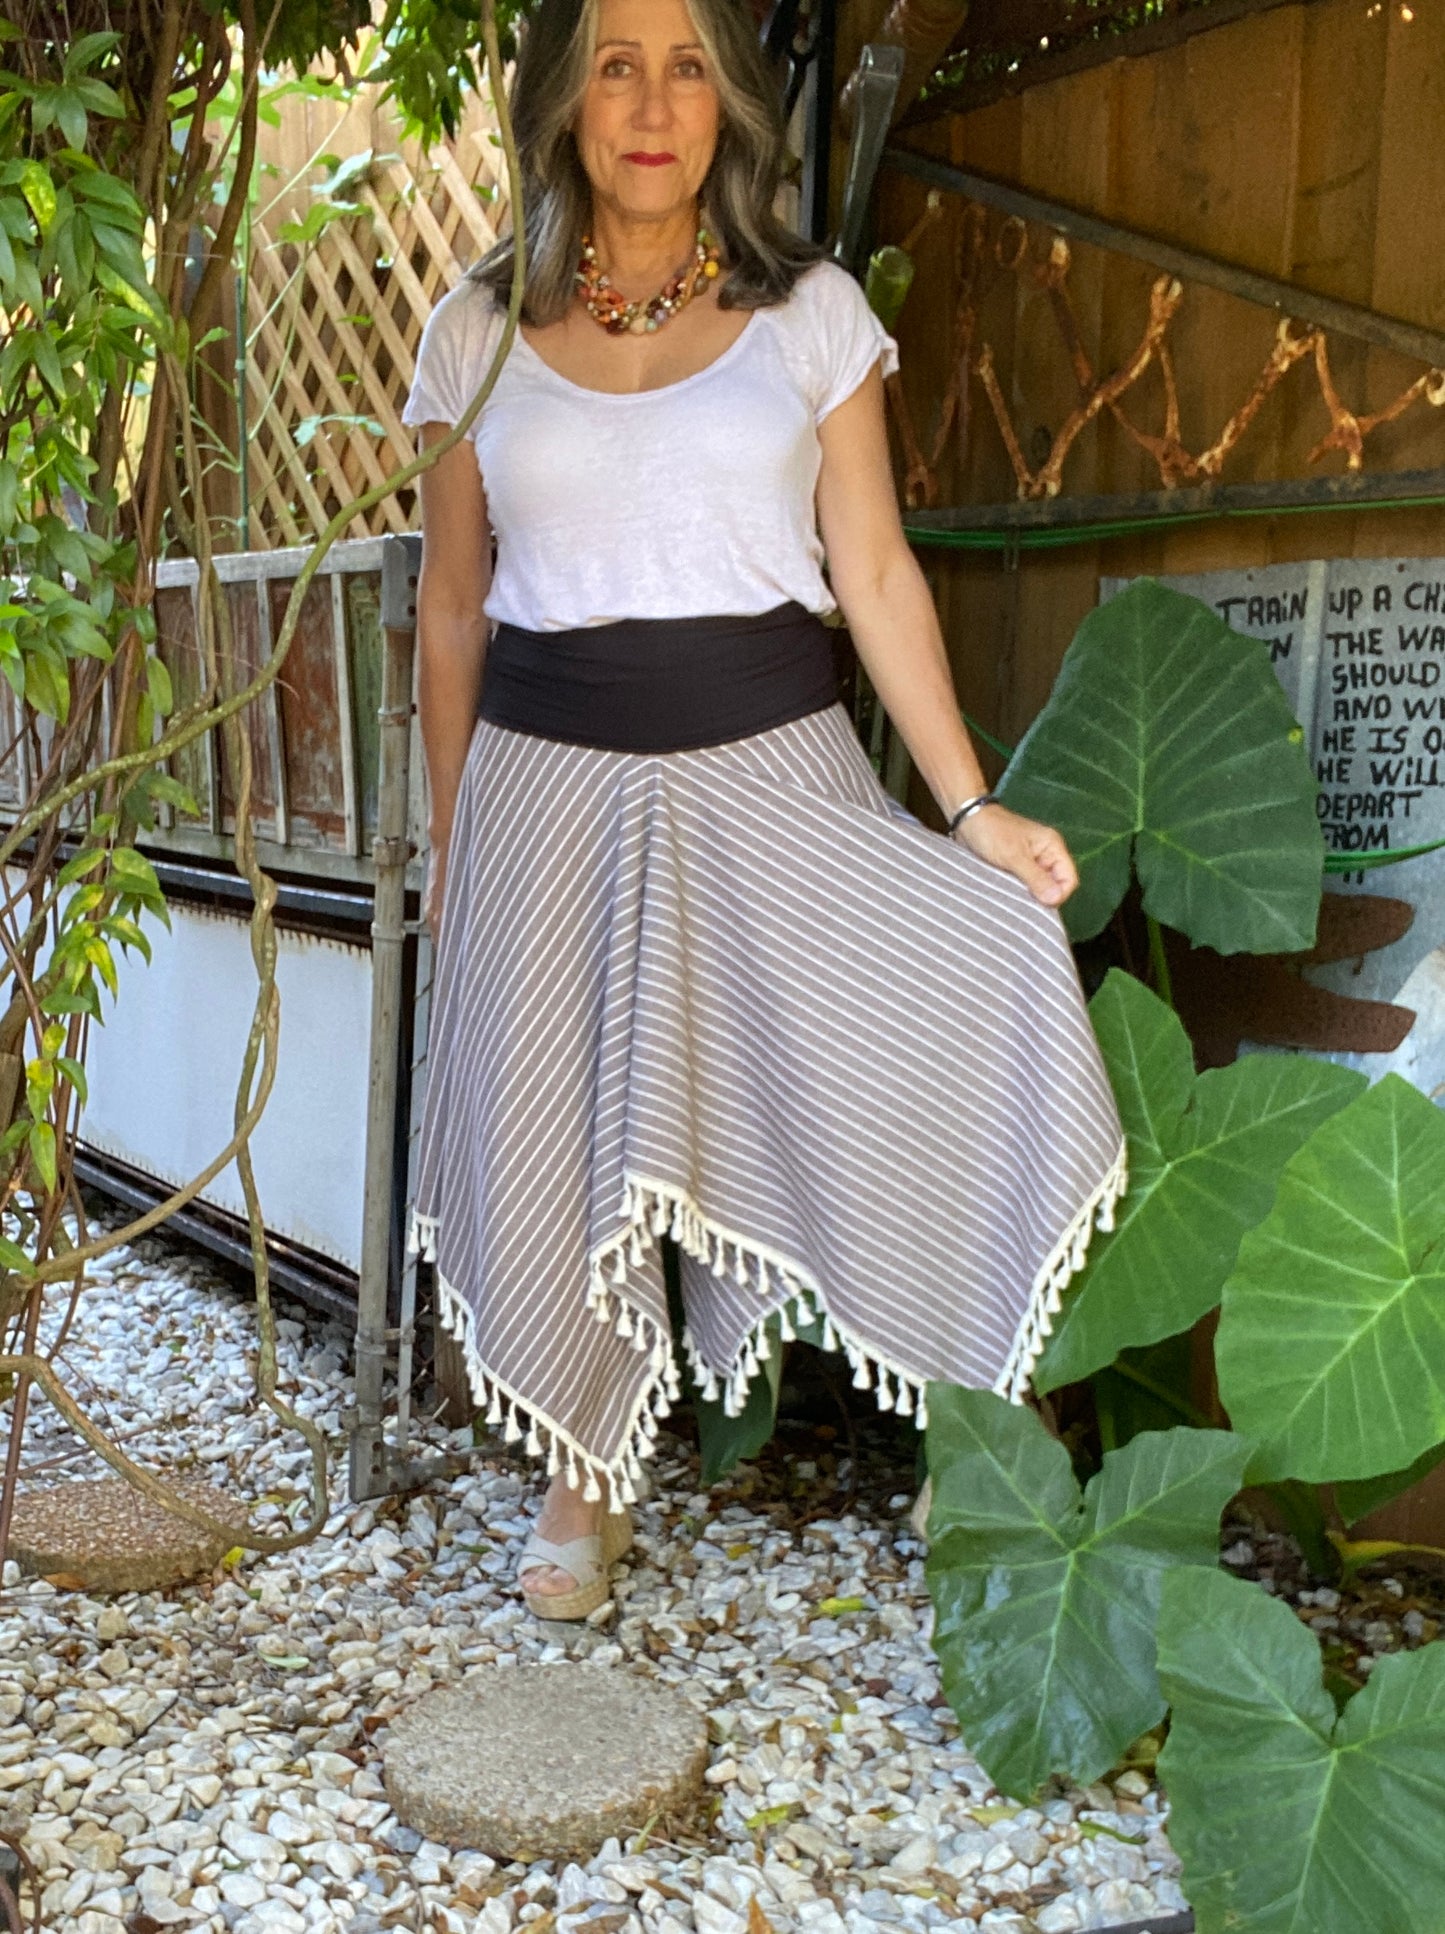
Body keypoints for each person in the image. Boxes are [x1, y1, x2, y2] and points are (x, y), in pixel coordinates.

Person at [401, 0, 1125, 1620]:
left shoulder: (810, 314)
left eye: (681, 65)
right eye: (611, 62)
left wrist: (969, 806)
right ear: (559, 102)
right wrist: (461, 842)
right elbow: (454, 607)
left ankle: (968, 1410)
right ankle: (583, 1480)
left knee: (975, 973)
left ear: (724, 102)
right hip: (542, 781)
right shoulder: (473, 331)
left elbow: (869, 570)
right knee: (560, 1116)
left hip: (773, 769)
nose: (649, 102)